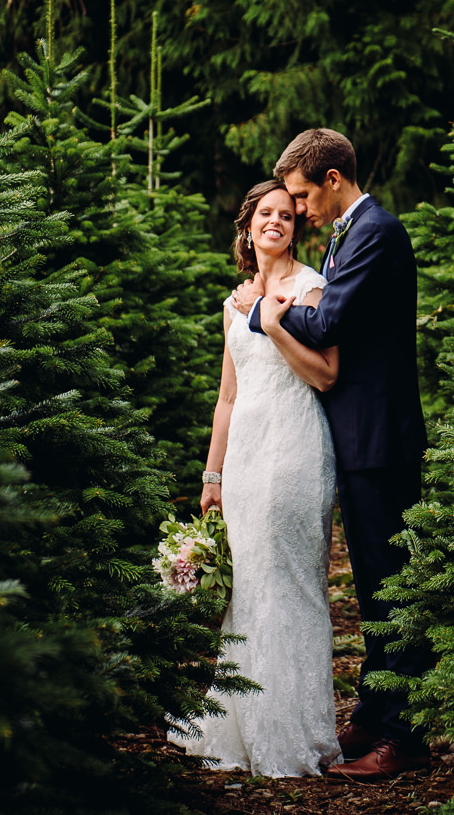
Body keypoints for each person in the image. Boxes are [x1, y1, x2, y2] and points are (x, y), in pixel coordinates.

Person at [230, 128, 432, 783]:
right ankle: (376, 713)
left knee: (390, 586)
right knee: (375, 585)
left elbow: (327, 323)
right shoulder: (350, 233)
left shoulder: (377, 232)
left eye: (300, 196)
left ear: (332, 181)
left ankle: (406, 737)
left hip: (380, 438)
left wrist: (266, 309)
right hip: (357, 437)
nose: (299, 210)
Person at [169, 179, 342, 777]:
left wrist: (271, 322)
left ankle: (294, 730)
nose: (277, 222)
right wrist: (212, 474)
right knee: (249, 584)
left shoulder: (313, 288)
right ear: (248, 228)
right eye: (265, 214)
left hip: (294, 447)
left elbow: (324, 375)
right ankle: (239, 720)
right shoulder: (232, 302)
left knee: (289, 580)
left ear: (298, 228)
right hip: (243, 453)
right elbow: (226, 397)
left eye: (288, 216)